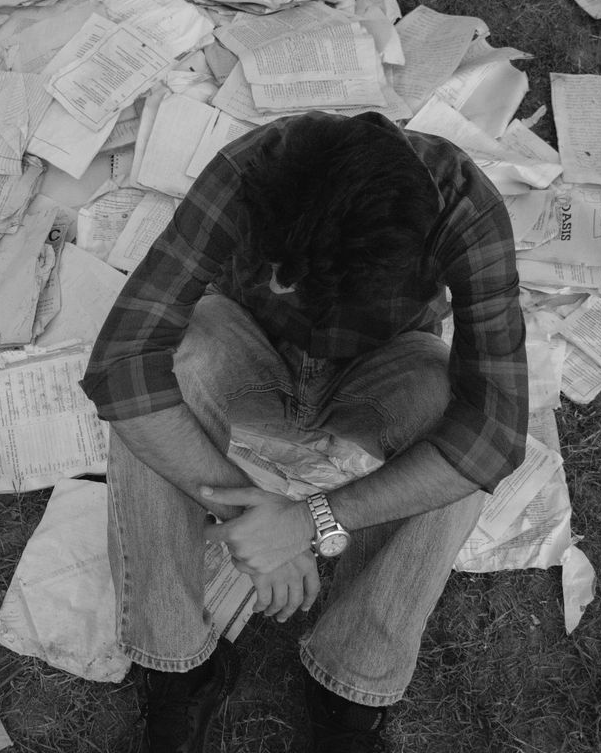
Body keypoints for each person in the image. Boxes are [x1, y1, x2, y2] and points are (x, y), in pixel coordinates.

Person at [79, 110, 528, 752]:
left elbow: (494, 434)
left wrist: (311, 519)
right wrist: (252, 515)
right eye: (286, 275)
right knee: (168, 369)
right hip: (249, 351)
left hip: (382, 370)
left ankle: (351, 681)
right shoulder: (251, 171)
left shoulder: (465, 209)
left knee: (451, 407)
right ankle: (176, 663)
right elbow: (122, 366)